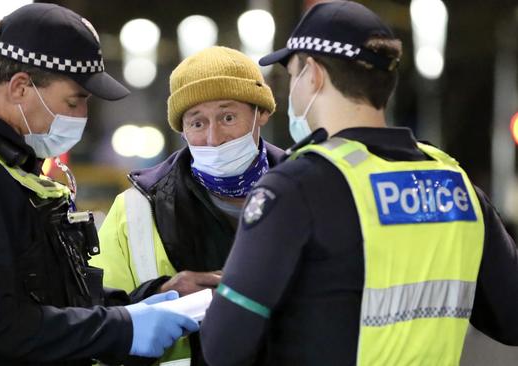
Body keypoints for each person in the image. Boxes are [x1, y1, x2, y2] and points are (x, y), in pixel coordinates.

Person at [200, 1, 518, 365]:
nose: (292, 91)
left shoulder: (294, 188)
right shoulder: (456, 184)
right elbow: (511, 321)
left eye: (293, 74)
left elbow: (223, 347)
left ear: (315, 74)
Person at [0, 4, 198, 366]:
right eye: (73, 101)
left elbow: (47, 296)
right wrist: (123, 327)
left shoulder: (4, 165)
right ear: (21, 87)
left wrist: (144, 300)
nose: (81, 116)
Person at [90, 46, 282, 365]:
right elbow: (98, 322)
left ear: (261, 113)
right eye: (196, 123)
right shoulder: (136, 209)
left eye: (228, 117)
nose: (213, 137)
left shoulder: (307, 191)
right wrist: (161, 294)